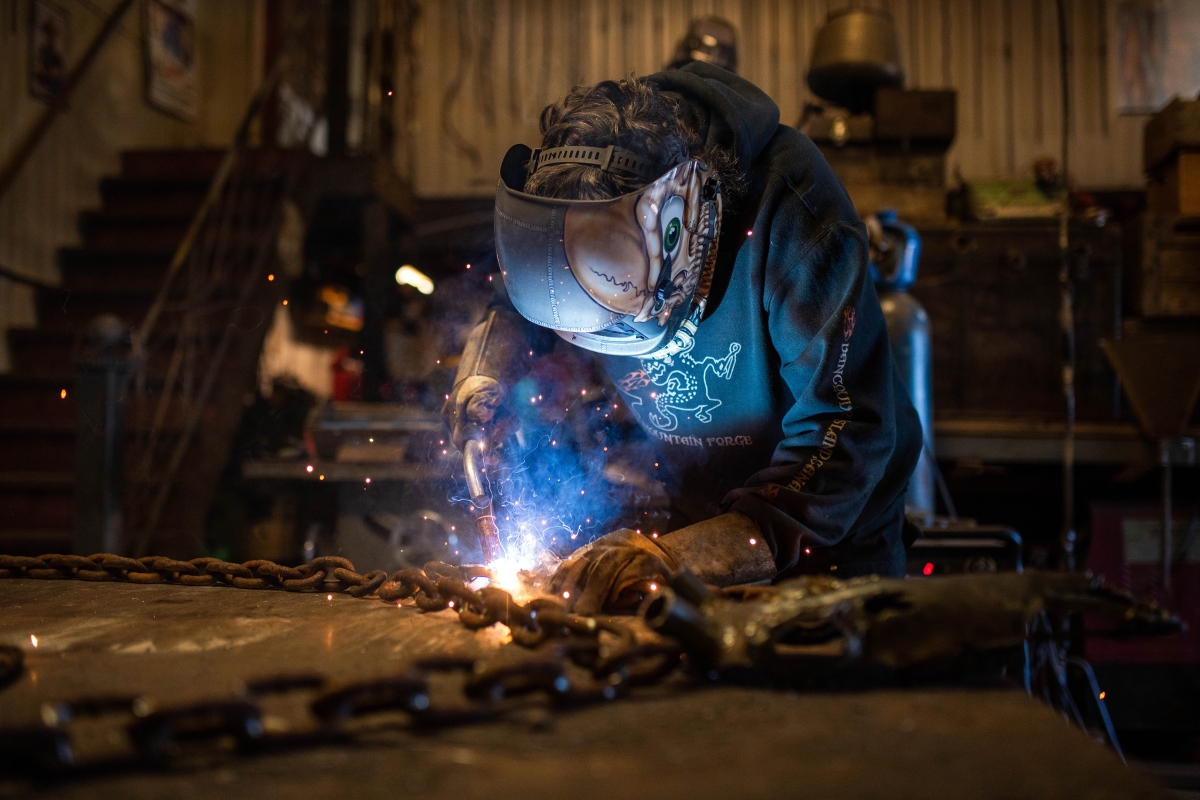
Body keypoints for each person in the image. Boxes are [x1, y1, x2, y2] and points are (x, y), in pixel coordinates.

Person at [443, 62, 922, 614]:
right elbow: (528, 295)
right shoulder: (579, 222)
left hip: (830, 544)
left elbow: (845, 433)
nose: (593, 336)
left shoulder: (794, 213)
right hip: (693, 525)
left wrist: (676, 560)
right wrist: (484, 376)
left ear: (679, 224)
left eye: (612, 298)